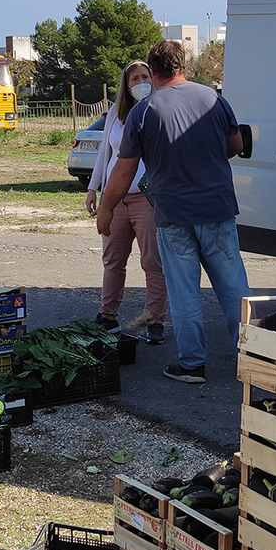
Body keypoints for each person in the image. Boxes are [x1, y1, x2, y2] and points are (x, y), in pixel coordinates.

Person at [95, 40, 249, 384]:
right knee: (233, 287)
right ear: (183, 66)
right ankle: (254, 358)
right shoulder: (213, 99)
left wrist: (106, 206)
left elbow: (123, 170)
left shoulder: (145, 111)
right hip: (217, 210)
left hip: (173, 216)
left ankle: (192, 364)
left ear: (152, 71)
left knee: (184, 291)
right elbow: (236, 144)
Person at [85, 60, 168, 343]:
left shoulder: (158, 110)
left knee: (152, 261)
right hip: (115, 199)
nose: (141, 81)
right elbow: (103, 155)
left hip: (147, 199)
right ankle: (107, 315)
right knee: (112, 260)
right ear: (127, 84)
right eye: (135, 78)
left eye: (146, 76)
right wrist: (93, 188)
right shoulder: (115, 116)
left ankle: (155, 320)